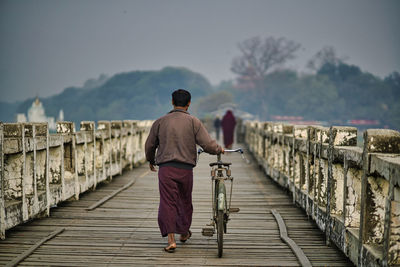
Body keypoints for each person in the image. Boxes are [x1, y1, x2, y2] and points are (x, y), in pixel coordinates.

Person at [145, 89, 224, 253]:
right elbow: (207, 144)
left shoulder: (160, 122)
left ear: (172, 102)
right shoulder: (194, 122)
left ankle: (171, 240)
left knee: (168, 202)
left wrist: (151, 160)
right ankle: (183, 232)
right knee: (184, 201)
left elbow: (150, 145)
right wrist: (218, 149)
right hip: (186, 169)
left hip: (166, 169)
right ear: (189, 103)